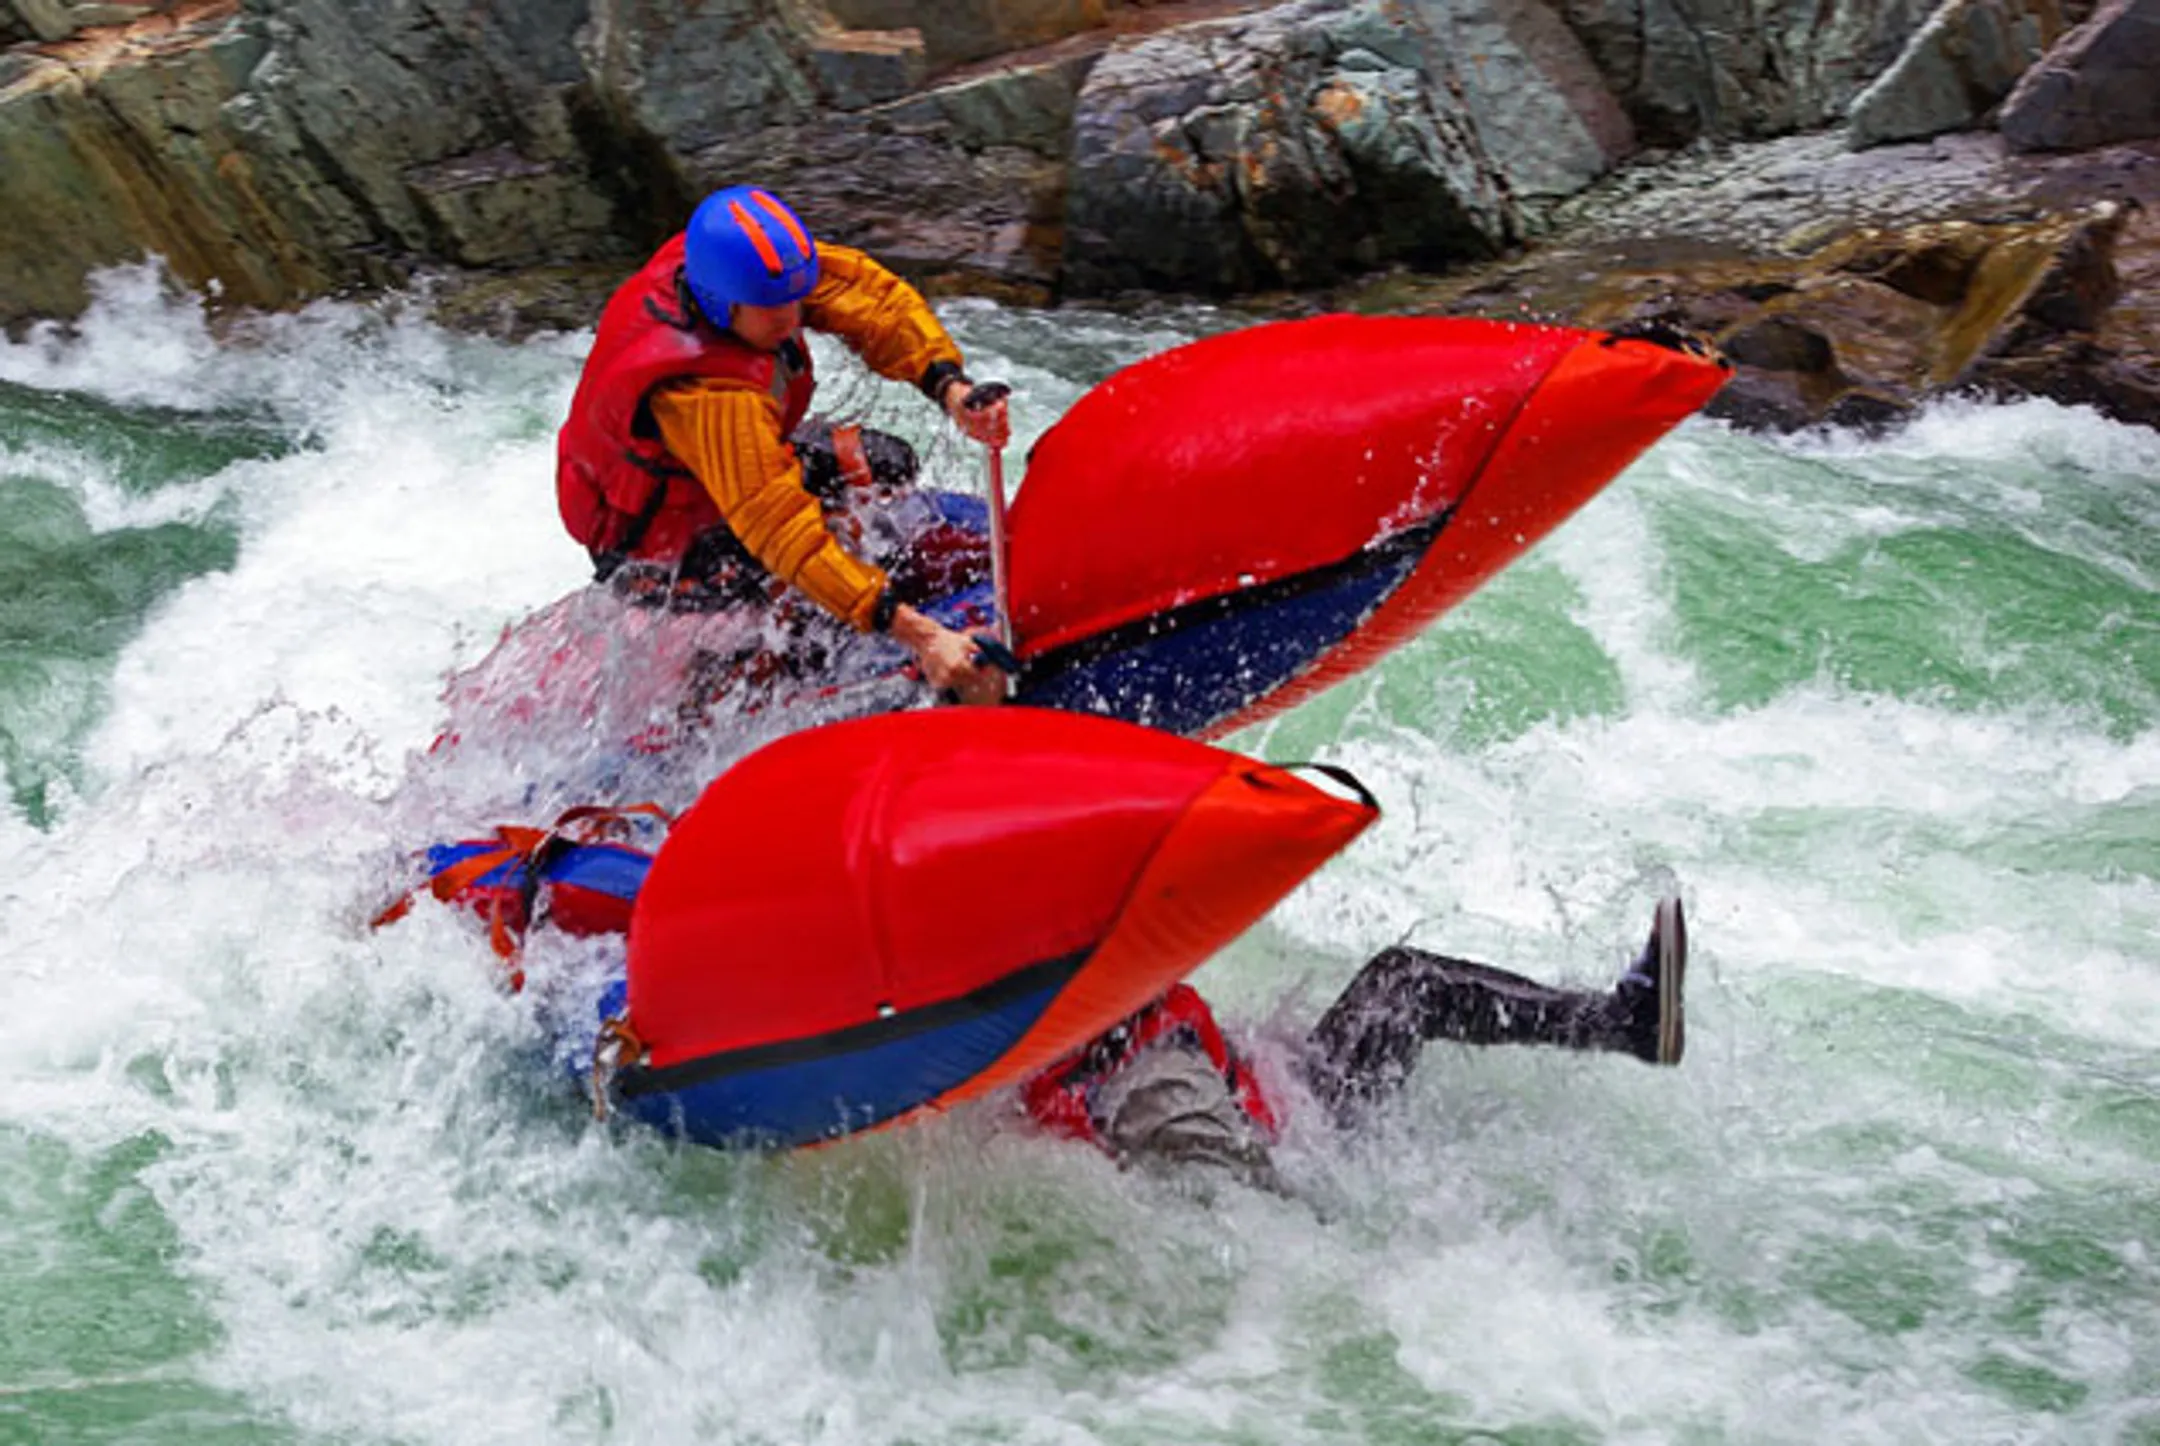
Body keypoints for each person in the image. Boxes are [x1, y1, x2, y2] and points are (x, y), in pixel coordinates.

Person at [555, 183, 1010, 707]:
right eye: (774, 311)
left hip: (714, 484)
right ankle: (749, 670)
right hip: (669, 549)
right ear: (720, 305)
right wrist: (923, 635)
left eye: (795, 300)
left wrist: (950, 387)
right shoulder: (707, 398)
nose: (794, 319)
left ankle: (847, 592)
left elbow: (868, 301)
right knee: (794, 573)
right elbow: (783, 531)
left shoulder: (742, 274)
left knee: (881, 461)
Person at [1022, 898, 1688, 1184]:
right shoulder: (1138, 1074)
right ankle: (1623, 1024)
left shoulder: (1094, 1025)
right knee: (1408, 983)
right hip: (1308, 1140)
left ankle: (1622, 1024)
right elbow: (1239, 1185)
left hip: (1282, 1098)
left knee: (1401, 982)